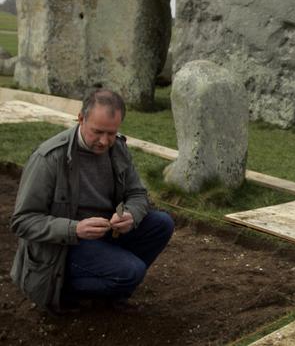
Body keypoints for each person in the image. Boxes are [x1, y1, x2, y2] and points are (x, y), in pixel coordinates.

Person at [10, 88, 174, 314]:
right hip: (65, 246)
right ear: (80, 119)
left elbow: (138, 194)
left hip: (105, 232)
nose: (104, 141)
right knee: (131, 271)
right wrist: (74, 229)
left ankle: (111, 293)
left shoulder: (118, 148)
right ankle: (65, 292)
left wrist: (130, 215)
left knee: (162, 223)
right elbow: (22, 221)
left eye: (111, 133)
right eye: (97, 132)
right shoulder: (49, 158)